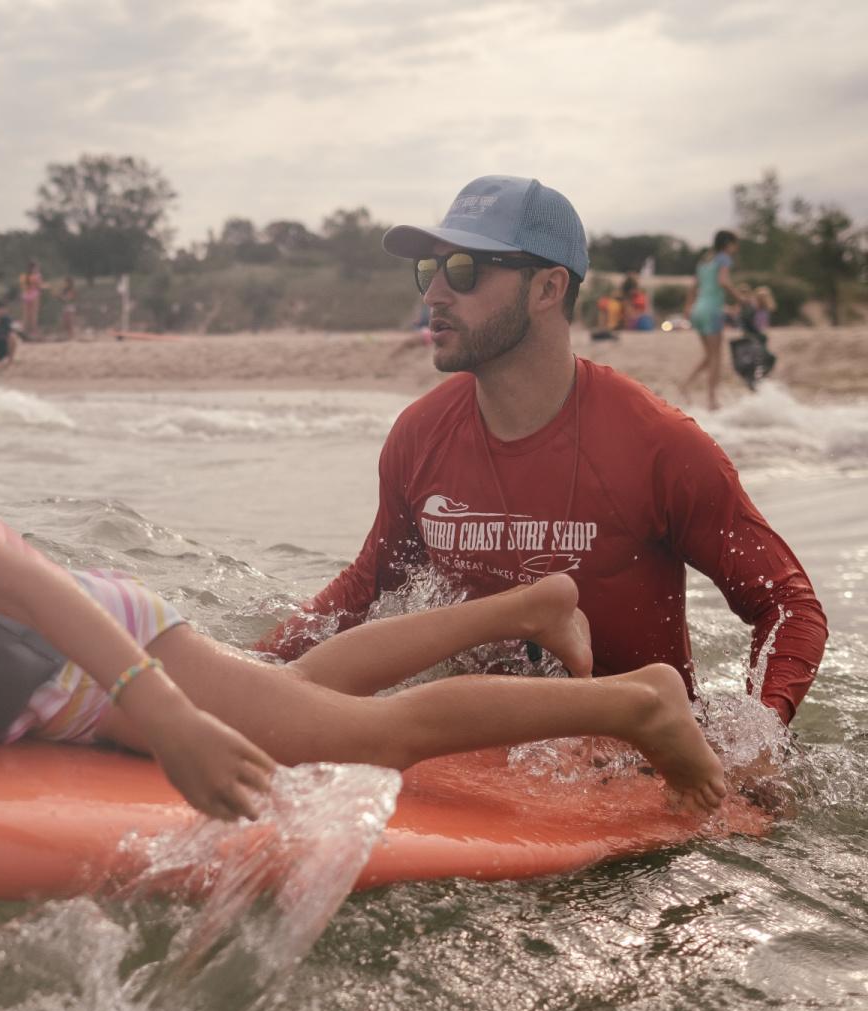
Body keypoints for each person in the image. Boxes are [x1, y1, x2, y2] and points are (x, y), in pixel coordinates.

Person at [0, 205, 731, 821]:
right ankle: (530, 601)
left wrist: (165, 725)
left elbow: (28, 593)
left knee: (359, 740)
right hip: (106, 654)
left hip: (95, 665)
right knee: (305, 690)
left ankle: (632, 705)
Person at [258, 176, 826, 732]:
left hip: (623, 762)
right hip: (478, 743)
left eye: (464, 270)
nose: (433, 293)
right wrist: (250, 671)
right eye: (428, 270)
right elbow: (366, 589)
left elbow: (789, 605)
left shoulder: (660, 446)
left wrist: (758, 738)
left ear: (548, 288)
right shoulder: (419, 434)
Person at [680, 230, 741, 409]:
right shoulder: (723, 259)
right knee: (716, 357)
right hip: (712, 310)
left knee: (709, 355)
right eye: (735, 244)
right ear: (728, 244)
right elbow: (723, 281)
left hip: (698, 310)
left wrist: (687, 309)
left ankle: (686, 385)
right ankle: (712, 400)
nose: (736, 248)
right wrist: (740, 298)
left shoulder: (705, 260)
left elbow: (693, 287)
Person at [18, 259, 44, 338]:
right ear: (35, 267)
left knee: (26, 315)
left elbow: (23, 287)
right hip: (34, 295)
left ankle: (25, 332)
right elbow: (39, 286)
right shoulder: (37, 276)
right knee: (34, 315)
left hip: (26, 295)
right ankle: (34, 332)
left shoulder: (24, 276)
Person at [58, 276, 78, 340]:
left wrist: (61, 297)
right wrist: (59, 297)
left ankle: (72, 336)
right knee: (65, 323)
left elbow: (69, 298)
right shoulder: (64, 290)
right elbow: (63, 298)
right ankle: (68, 336)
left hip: (70, 308)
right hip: (65, 307)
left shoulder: (72, 289)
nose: (65, 283)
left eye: (66, 282)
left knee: (70, 323)